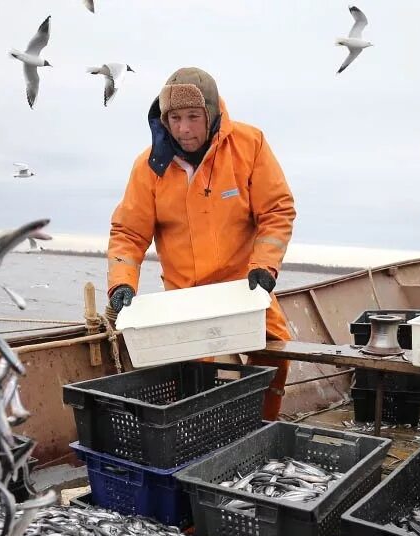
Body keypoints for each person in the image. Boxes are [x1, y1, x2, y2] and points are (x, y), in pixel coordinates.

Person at [105, 67, 296, 420]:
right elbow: (129, 234)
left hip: (246, 288)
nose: (184, 128)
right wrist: (121, 283)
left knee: (274, 353)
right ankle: (205, 433)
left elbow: (276, 210)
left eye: (193, 117)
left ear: (210, 113)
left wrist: (265, 266)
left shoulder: (249, 145)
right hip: (185, 299)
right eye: (174, 118)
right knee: (195, 376)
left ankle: (263, 426)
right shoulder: (148, 168)